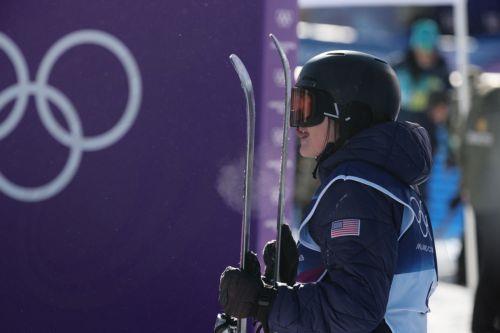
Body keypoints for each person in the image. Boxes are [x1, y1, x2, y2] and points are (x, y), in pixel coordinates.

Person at [218, 51, 437, 332]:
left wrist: (264, 301)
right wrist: (305, 276)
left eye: (306, 108)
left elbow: (354, 310)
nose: (296, 125)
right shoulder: (390, 185)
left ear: (347, 115)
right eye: (294, 107)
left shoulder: (356, 188)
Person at [394, 18, 450, 125]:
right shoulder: (398, 69)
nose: (425, 57)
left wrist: (442, 109)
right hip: (401, 127)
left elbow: (445, 102)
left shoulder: (441, 71)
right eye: (421, 51)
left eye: (429, 51)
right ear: (413, 48)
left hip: (428, 131)